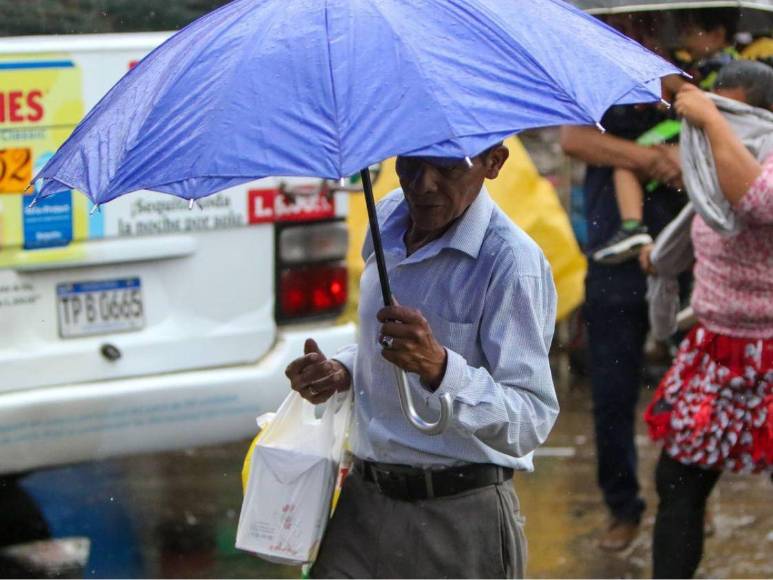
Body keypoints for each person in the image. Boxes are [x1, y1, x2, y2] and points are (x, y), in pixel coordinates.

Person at [284, 143, 559, 579]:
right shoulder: (386, 221)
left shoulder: (511, 263)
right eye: (411, 162)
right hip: (363, 505)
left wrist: (439, 368)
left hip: (460, 516)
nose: (423, 184)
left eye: (448, 166)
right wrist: (342, 372)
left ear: (493, 163)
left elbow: (531, 419)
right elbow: (384, 352)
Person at [559, 13, 690, 553]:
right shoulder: (587, 71)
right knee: (612, 393)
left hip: (685, 253)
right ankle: (622, 508)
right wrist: (650, 157)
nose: (639, 35)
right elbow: (573, 139)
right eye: (627, 26)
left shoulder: (690, 77)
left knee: (689, 390)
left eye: (649, 26)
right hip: (614, 256)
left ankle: (688, 502)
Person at [644, 71, 773, 579]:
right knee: (677, 482)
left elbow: (758, 203)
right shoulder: (709, 167)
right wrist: (657, 260)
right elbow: (692, 229)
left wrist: (711, 119)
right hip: (714, 351)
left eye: (732, 115)